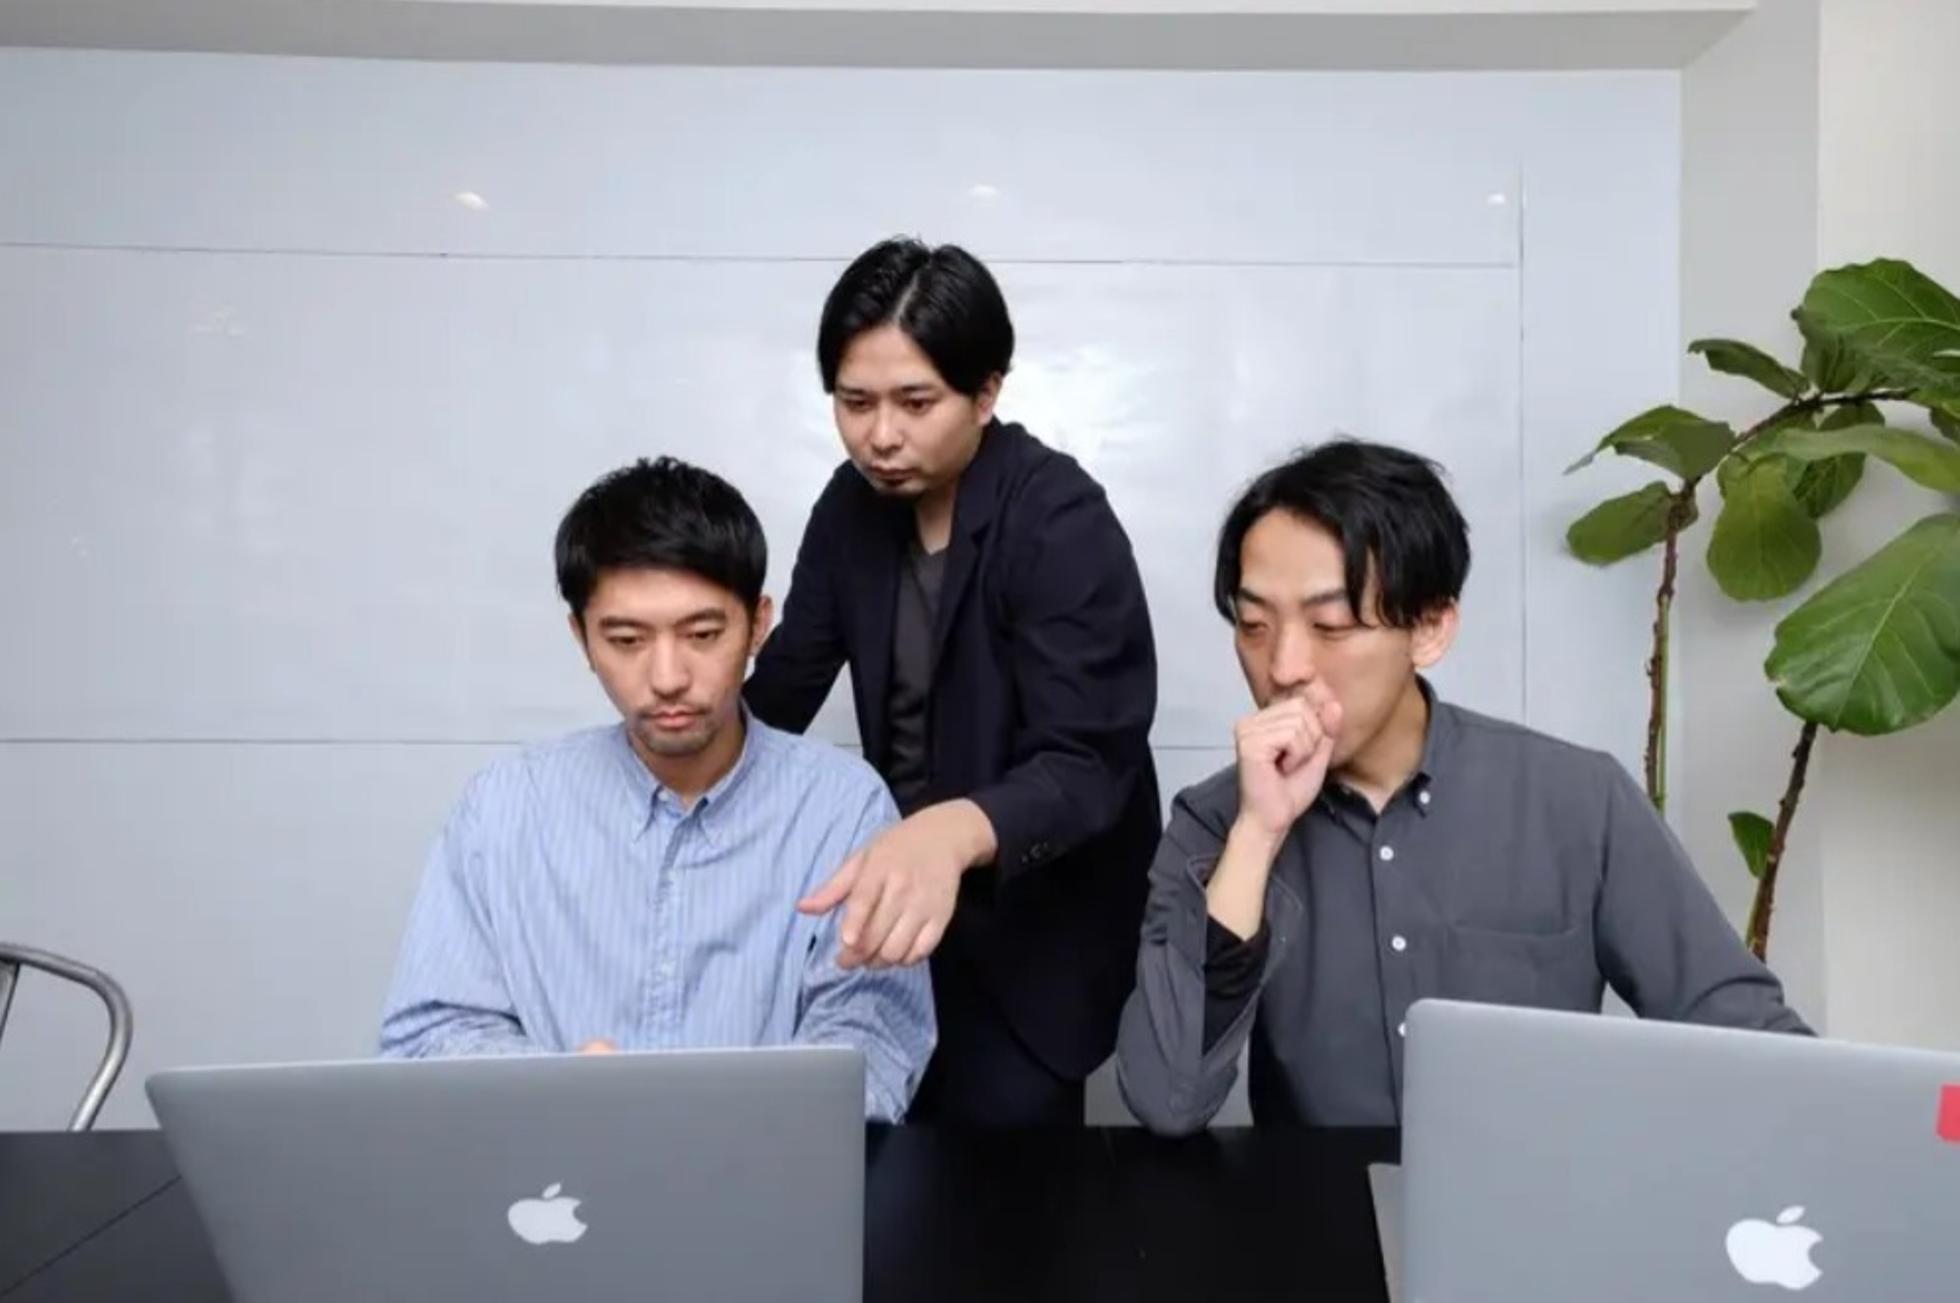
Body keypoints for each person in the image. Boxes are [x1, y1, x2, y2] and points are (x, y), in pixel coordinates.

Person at [1116, 439, 1808, 1134]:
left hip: (1533, 1193)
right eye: (1254, 625)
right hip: (1322, 1199)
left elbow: (1746, 1033)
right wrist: (1258, 835)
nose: (1284, 666)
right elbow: (1167, 1099)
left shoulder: (1577, 799)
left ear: (1429, 628)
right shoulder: (1217, 821)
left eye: (1330, 625)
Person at [380, 456, 934, 1122]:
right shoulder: (504, 807)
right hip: (553, 1169)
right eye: (626, 639)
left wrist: (711, 1112)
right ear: (582, 637)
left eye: (702, 634)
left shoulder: (843, 809)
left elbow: (874, 1040)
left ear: (758, 624)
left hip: (764, 1169)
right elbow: (430, 1031)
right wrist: (552, 1086)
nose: (668, 676)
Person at [744, 238, 1160, 1125]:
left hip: (1030, 937)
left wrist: (949, 833)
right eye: (855, 402)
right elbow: (781, 691)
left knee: (1004, 1187)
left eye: (915, 402)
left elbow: (1090, 760)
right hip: (892, 919)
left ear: (987, 391)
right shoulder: (849, 507)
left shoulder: (1060, 516)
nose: (880, 435)